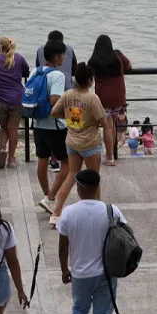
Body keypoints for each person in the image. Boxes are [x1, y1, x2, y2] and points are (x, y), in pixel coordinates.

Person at [58, 169, 124, 314]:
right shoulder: (111, 210)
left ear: (79, 187)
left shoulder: (69, 212)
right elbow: (124, 238)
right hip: (106, 273)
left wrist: (64, 269)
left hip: (80, 274)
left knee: (79, 310)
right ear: (97, 188)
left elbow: (63, 246)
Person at [50, 62, 111, 225]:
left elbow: (54, 112)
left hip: (71, 141)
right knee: (94, 178)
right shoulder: (92, 98)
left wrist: (70, 119)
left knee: (72, 175)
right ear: (90, 80)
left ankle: (56, 213)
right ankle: (100, 212)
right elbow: (103, 122)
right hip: (90, 143)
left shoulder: (68, 94)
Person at [33, 40, 71, 223]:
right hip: (55, 126)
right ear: (57, 56)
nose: (64, 57)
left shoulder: (35, 71)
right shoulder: (58, 75)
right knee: (67, 163)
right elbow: (55, 98)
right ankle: (50, 198)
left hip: (37, 123)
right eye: (63, 55)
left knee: (42, 160)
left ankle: (48, 196)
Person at [0, 36, 30, 169]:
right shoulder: (19, 58)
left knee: (4, 128)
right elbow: (26, 71)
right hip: (16, 100)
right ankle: (11, 159)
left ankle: (2, 149)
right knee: (13, 129)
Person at [90, 35, 132, 167]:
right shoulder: (117, 55)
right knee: (112, 125)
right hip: (119, 96)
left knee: (107, 127)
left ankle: (109, 157)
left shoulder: (94, 60)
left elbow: (88, 78)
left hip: (103, 98)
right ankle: (111, 153)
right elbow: (129, 66)